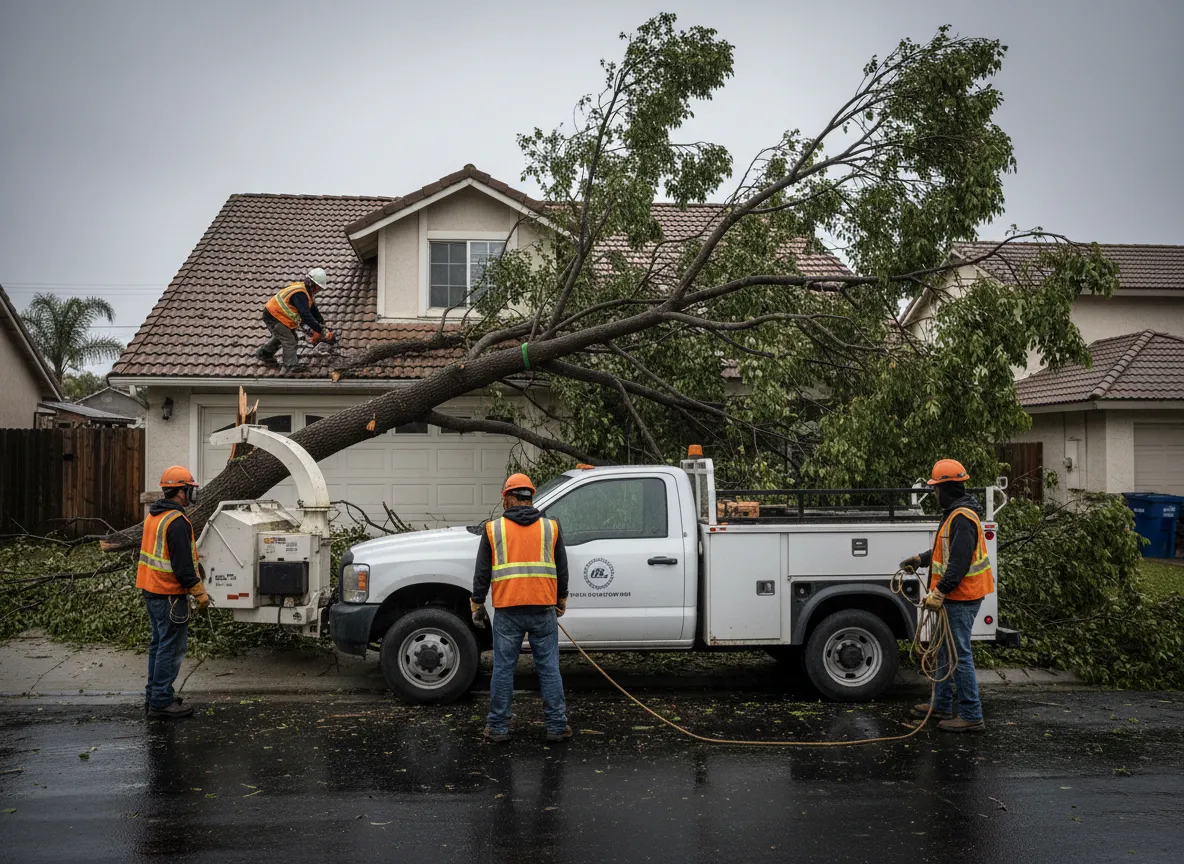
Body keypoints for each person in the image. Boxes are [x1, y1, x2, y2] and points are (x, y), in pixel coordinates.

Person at [470, 473, 571, 744]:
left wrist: (477, 603)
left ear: (509, 498)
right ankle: (557, 727)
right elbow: (561, 567)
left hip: (508, 611)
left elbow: (482, 572)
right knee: (549, 668)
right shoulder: (551, 527)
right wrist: (561, 599)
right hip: (542, 609)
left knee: (503, 669)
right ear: (530, 497)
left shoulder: (494, 530)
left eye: (504, 498)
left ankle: (498, 728)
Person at [900, 458, 995, 733]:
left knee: (958, 655)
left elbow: (959, 564)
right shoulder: (956, 514)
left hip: (961, 597)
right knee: (945, 651)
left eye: (936, 489)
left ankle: (971, 715)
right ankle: (941, 705)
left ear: (948, 488)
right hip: (958, 596)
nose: (935, 494)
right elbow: (947, 553)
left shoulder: (962, 518)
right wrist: (921, 559)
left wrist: (940, 591)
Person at [137, 465, 210, 719]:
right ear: (181, 491)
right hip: (169, 594)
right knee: (170, 648)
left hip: (151, 591)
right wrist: (199, 591)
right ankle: (160, 703)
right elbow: (183, 566)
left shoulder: (154, 516)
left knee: (159, 646)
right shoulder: (176, 522)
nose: (191, 494)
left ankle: (156, 695)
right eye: (189, 489)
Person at [255, 267, 335, 372]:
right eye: (318, 287)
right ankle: (291, 365)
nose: (318, 290)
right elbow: (306, 315)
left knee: (285, 336)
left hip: (278, 316)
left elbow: (313, 310)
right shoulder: (300, 294)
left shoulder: (306, 293)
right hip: (274, 316)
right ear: (313, 284)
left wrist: (322, 324)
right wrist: (321, 331)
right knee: (290, 341)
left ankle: (264, 353)